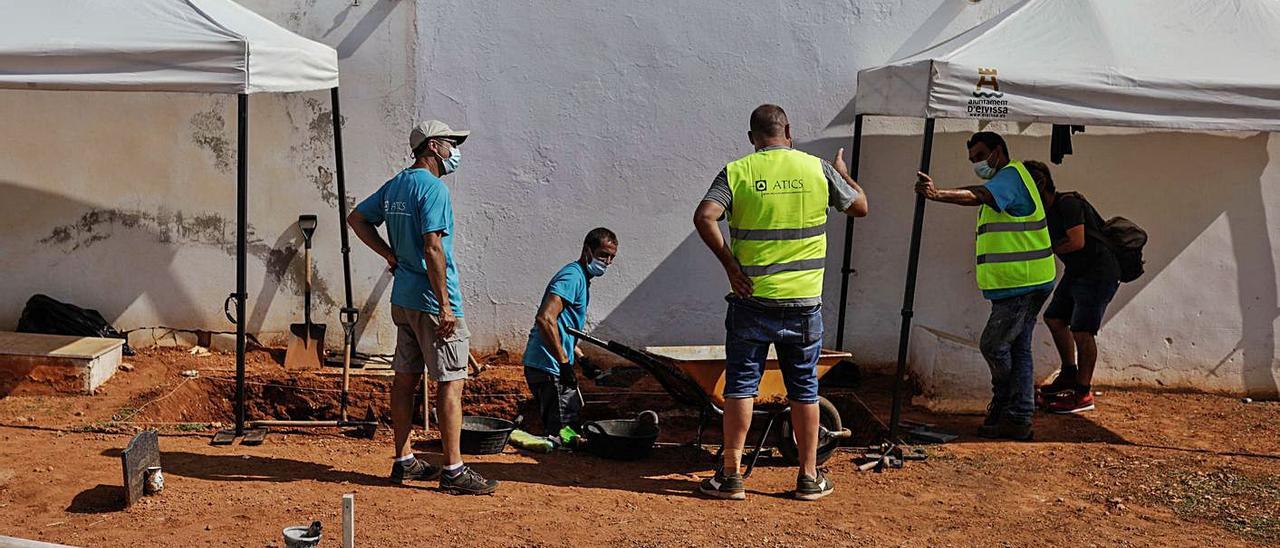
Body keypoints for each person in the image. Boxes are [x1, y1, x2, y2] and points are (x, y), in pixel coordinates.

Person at [693, 104, 868, 501]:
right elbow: (860, 206)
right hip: (804, 303)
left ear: (752, 137)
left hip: (751, 300)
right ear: (788, 131)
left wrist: (730, 266)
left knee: (741, 386)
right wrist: (843, 175)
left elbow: (705, 216)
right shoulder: (817, 168)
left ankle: (731, 475)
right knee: (804, 389)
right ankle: (808, 476)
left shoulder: (737, 171)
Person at [347, 119, 498, 495]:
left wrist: (390, 255)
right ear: (432, 146)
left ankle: (404, 461)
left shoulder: (397, 184)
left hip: (405, 299)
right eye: (451, 143)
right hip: (434, 301)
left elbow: (357, 218)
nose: (455, 150)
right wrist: (446, 306)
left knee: (405, 379)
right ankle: (454, 470)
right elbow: (433, 247)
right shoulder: (433, 190)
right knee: (451, 383)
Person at [915, 132, 1055, 441]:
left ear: (998, 151)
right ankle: (1017, 417)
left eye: (980, 156)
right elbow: (983, 194)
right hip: (1026, 280)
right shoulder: (1009, 178)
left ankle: (1008, 402)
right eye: (973, 160)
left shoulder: (1010, 176)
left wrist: (937, 194)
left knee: (993, 345)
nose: (977, 163)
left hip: (1024, 282)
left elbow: (978, 194)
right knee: (1018, 348)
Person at [1023, 160, 1120, 414]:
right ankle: (1069, 373)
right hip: (1077, 272)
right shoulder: (1044, 212)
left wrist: (1045, 250)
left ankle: (1082, 393)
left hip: (1098, 272)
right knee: (1055, 318)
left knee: (1082, 331)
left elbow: (1076, 241)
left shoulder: (1068, 203)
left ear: (1041, 184)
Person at [521, 228, 618, 447]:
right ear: (587, 250)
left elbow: (564, 327)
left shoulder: (581, 278)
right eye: (603, 254)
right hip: (548, 366)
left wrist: (581, 359)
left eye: (611, 257)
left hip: (550, 364)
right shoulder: (572, 277)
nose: (607, 262)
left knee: (566, 425)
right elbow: (545, 319)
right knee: (562, 434)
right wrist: (564, 364)